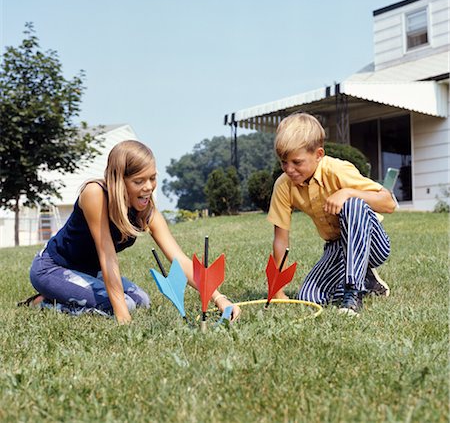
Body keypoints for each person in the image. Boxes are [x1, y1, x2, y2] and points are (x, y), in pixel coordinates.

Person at [24, 140, 240, 323]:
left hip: (89, 272)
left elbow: (180, 261)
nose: (148, 187)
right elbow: (107, 257)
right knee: (124, 305)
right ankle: (43, 303)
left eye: (152, 178)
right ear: (119, 181)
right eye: (139, 181)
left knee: (142, 301)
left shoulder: (146, 211)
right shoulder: (95, 194)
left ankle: (62, 295)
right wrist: (123, 318)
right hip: (52, 268)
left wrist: (219, 297)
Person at [268, 113, 396, 315]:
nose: (289, 169)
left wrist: (347, 192)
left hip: (372, 244)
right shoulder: (284, 185)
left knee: (353, 205)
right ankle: (367, 281)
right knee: (308, 298)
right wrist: (278, 290)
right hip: (338, 247)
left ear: (318, 154)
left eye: (297, 162)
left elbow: (388, 203)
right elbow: (281, 240)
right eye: (284, 162)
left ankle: (353, 292)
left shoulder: (337, 170)